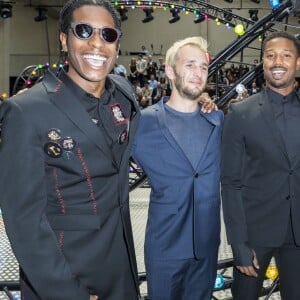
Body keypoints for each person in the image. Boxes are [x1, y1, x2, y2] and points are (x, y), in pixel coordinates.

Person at [0, 1, 141, 299]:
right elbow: (24, 221)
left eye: (107, 35)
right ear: (64, 39)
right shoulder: (27, 110)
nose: (96, 44)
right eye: (83, 31)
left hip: (122, 265)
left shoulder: (124, 95)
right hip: (65, 274)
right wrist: (67, 292)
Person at [132, 36, 224, 300]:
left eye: (204, 67)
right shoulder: (143, 123)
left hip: (206, 247)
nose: (198, 73)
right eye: (190, 65)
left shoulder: (217, 119)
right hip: (164, 248)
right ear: (170, 71)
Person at [221, 31, 300, 300]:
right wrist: (238, 243)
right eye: (270, 55)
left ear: (298, 63)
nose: (278, 61)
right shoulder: (241, 114)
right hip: (254, 235)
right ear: (263, 62)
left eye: (286, 55)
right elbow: (230, 183)